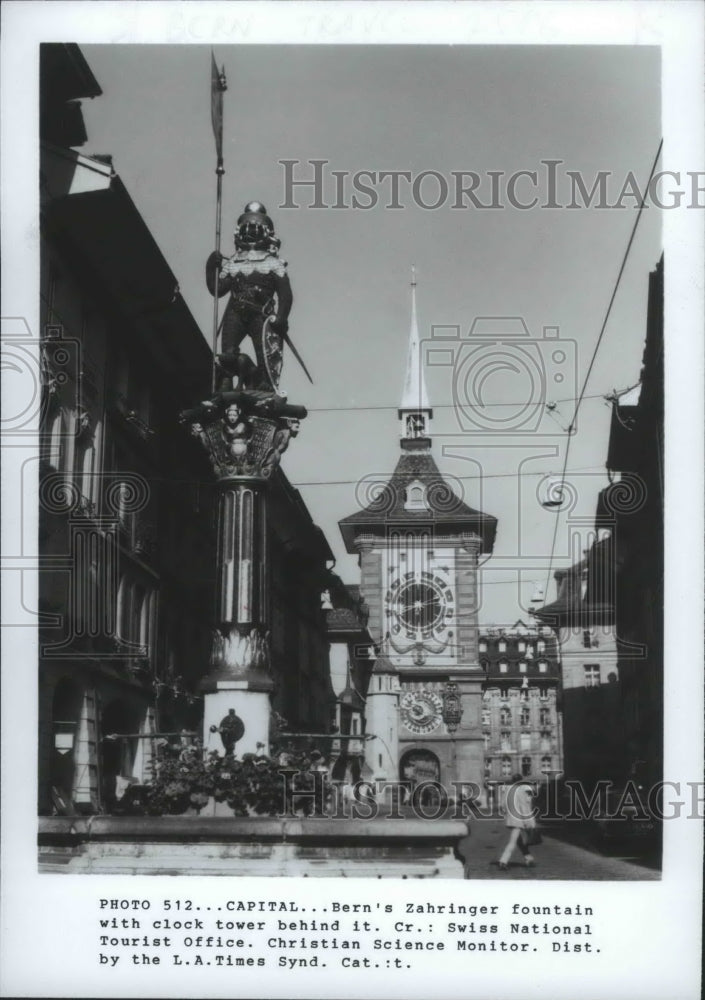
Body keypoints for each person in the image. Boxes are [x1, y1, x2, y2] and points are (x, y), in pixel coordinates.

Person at [496, 773, 538, 871]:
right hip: (519, 819)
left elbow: (502, 805)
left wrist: (507, 813)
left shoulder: (507, 789)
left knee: (519, 841)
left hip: (510, 819)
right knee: (513, 841)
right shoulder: (522, 790)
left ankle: (529, 858)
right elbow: (524, 807)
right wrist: (528, 821)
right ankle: (503, 861)